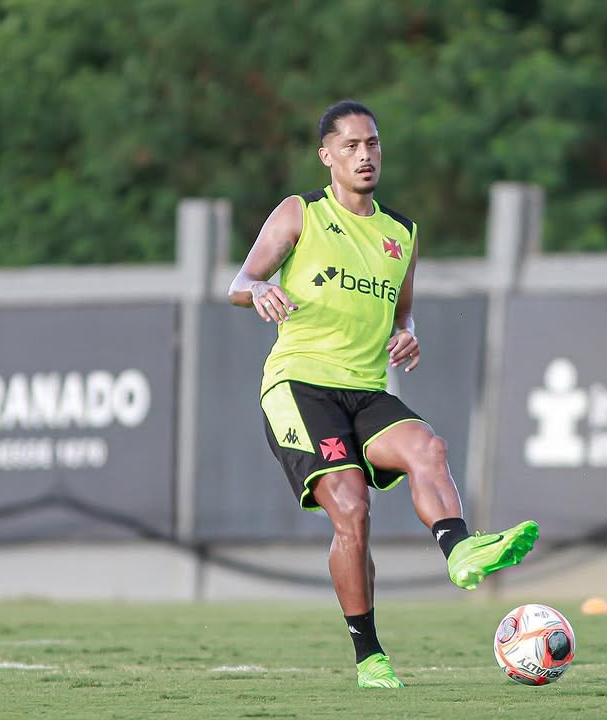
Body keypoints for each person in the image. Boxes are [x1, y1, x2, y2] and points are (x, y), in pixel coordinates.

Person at [227, 99, 538, 689]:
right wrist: (259, 289)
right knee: (352, 510)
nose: (364, 155)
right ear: (327, 157)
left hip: (365, 389)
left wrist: (407, 334)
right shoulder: (301, 213)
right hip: (300, 386)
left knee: (428, 447)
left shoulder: (402, 233)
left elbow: (403, 312)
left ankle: (460, 551)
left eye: (371, 143)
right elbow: (240, 281)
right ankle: (369, 656)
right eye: (350, 146)